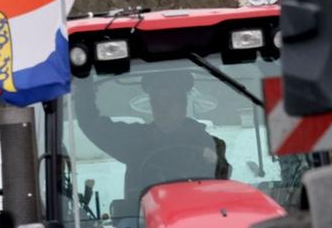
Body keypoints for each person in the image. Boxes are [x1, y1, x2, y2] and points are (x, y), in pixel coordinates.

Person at [74, 68, 227, 205]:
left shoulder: (204, 141)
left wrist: (216, 161)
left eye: (169, 100)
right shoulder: (134, 140)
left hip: (194, 216)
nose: (162, 108)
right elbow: (91, 124)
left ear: (183, 103)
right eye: (156, 101)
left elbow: (221, 180)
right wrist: (84, 88)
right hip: (142, 223)